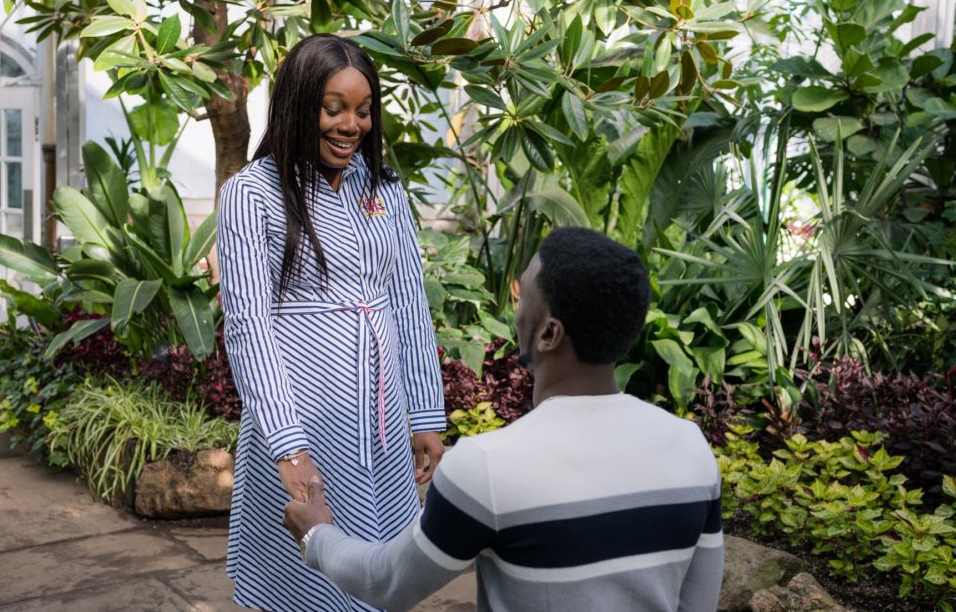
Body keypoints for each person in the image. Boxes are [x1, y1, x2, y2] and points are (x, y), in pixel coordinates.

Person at [284, 227, 725, 611]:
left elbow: (387, 582)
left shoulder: (487, 466)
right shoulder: (690, 448)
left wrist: (316, 535)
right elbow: (697, 603)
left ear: (549, 333)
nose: (514, 308)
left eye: (523, 295)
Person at [217, 33, 446, 611]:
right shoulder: (252, 193)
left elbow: (408, 303)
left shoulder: (383, 190)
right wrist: (287, 445)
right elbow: (248, 325)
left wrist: (425, 415)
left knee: (383, 569)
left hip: (382, 414)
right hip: (303, 415)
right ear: (299, 106)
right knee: (303, 574)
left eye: (364, 111)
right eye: (334, 108)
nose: (352, 125)